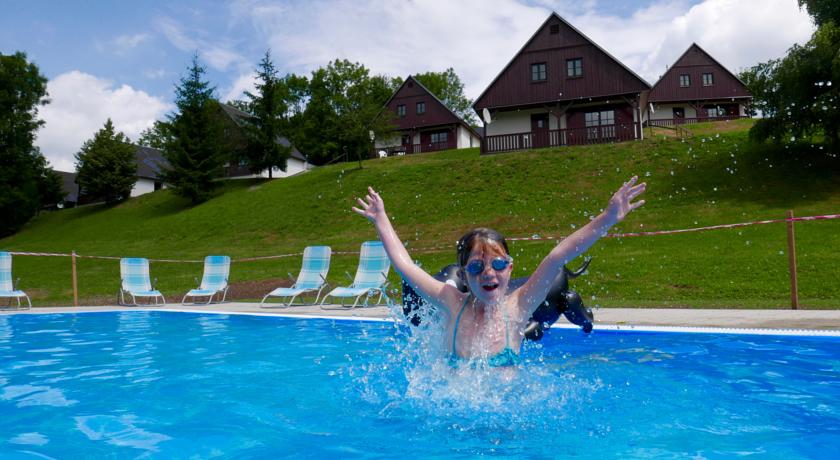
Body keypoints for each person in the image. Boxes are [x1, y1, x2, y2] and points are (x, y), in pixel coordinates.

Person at [352, 177, 646, 367]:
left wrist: (607, 219)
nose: (488, 273)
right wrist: (381, 220)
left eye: (499, 264)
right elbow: (405, 266)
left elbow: (559, 255)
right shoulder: (452, 302)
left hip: (506, 431)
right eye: (477, 267)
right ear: (465, 276)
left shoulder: (518, 306)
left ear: (510, 268)